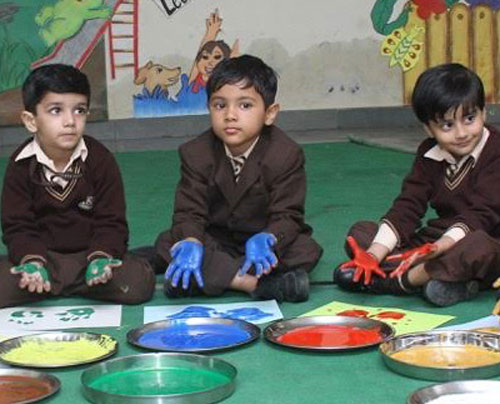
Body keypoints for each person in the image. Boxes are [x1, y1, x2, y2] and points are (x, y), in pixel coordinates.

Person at [153, 54, 323, 302]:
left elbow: (288, 216)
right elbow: (189, 213)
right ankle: (252, 284)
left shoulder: (286, 154)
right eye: (220, 105)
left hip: (260, 245)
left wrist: (270, 238)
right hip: (215, 240)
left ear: (270, 113)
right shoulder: (195, 153)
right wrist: (191, 240)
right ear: (209, 107)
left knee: (306, 249)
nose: (230, 115)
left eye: (245, 106)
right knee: (169, 241)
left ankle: (204, 280)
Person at [334, 63, 500, 307]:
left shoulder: (496, 149)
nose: (461, 133)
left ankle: (400, 282)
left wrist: (441, 247)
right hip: (439, 236)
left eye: (469, 118)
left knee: (478, 249)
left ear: (484, 113)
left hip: (487, 235)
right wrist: (373, 254)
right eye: (447, 125)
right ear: (428, 128)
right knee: (360, 234)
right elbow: (408, 206)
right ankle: (438, 279)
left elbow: (482, 214)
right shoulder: (428, 152)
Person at [0, 63, 155, 308]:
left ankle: (67, 283)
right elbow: (18, 227)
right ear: (31, 121)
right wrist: (32, 263)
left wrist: (101, 257)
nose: (70, 121)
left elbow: (111, 222)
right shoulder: (19, 166)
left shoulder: (100, 159)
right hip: (44, 261)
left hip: (89, 260)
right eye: (55, 110)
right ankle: (43, 280)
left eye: (79, 110)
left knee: (137, 283)